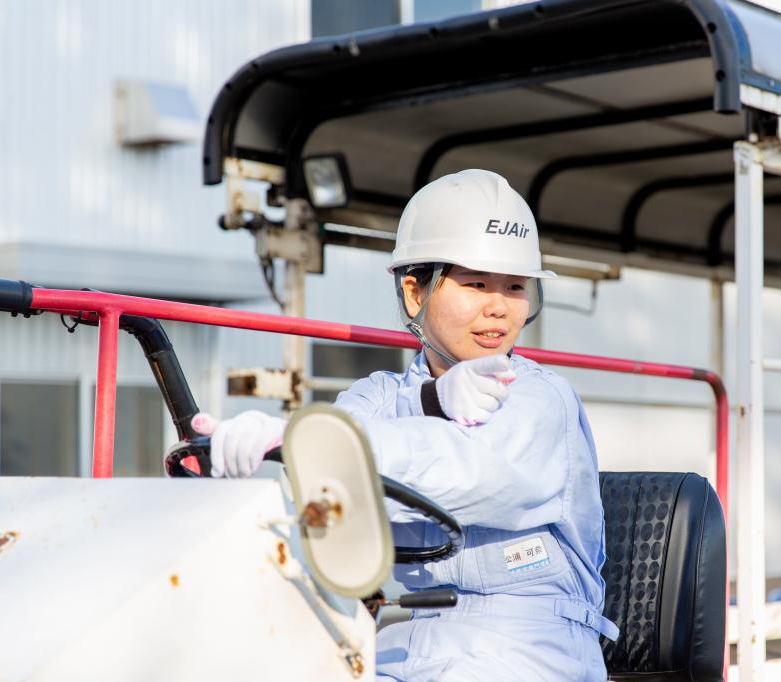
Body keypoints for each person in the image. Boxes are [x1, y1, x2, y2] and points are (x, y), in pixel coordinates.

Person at [192, 169, 617, 681]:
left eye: (514, 286)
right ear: (416, 293)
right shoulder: (381, 394)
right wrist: (289, 439)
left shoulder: (541, 400)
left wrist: (307, 440)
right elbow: (335, 445)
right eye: (477, 283)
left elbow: (469, 470)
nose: (499, 306)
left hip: (534, 643)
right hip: (413, 635)